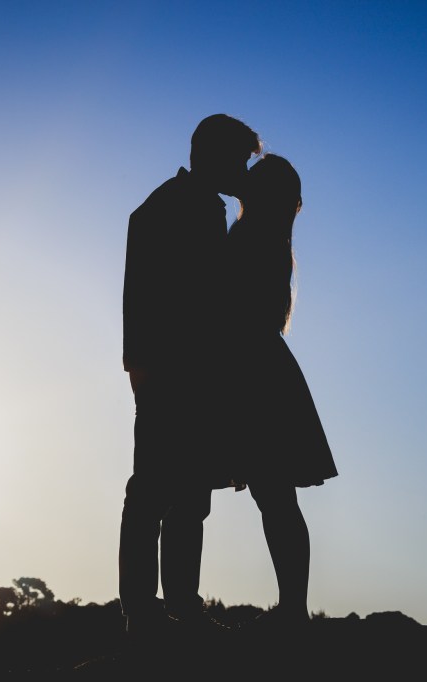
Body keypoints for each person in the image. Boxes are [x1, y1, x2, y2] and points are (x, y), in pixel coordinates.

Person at [119, 114, 262, 638]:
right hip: (168, 374)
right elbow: (145, 295)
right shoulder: (163, 208)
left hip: (200, 378)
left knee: (191, 495)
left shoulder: (207, 207)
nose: (244, 172)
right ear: (214, 154)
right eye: (240, 160)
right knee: (153, 490)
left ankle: (180, 605)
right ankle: (142, 610)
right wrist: (141, 371)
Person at [224, 153, 338, 628]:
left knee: (275, 497)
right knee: (277, 498)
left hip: (255, 374)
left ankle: (294, 609)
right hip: (264, 370)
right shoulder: (268, 238)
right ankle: (294, 607)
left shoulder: (250, 236)